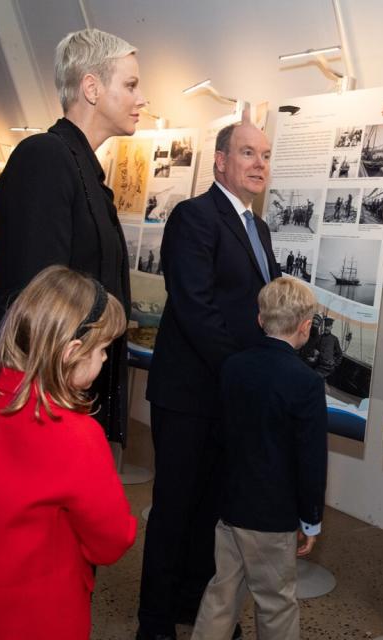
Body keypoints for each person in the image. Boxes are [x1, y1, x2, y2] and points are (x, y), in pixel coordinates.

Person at [0, 28, 145, 446]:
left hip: (64, 394)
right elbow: (36, 300)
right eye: (130, 85)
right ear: (91, 88)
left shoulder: (83, 170)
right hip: (35, 404)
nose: (141, 98)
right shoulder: (45, 157)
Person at [0, 266, 136, 638]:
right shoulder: (77, 435)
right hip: (38, 616)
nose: (106, 359)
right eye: (103, 349)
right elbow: (112, 539)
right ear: (72, 351)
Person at [140, 121, 280, 640]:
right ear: (220, 161)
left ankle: (196, 611)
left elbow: (261, 311)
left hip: (231, 399)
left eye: (265, 154)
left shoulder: (258, 229)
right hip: (190, 395)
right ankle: (154, 624)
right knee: (175, 509)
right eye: (248, 152)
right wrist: (246, 373)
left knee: (213, 514)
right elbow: (197, 308)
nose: (259, 163)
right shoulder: (194, 217)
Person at [192, 277, 327, 640]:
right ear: (305, 327)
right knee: (276, 603)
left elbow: (221, 435)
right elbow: (311, 460)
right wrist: (311, 519)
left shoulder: (234, 367)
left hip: (232, 506)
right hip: (273, 518)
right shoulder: (307, 384)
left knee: (222, 593)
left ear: (260, 318)